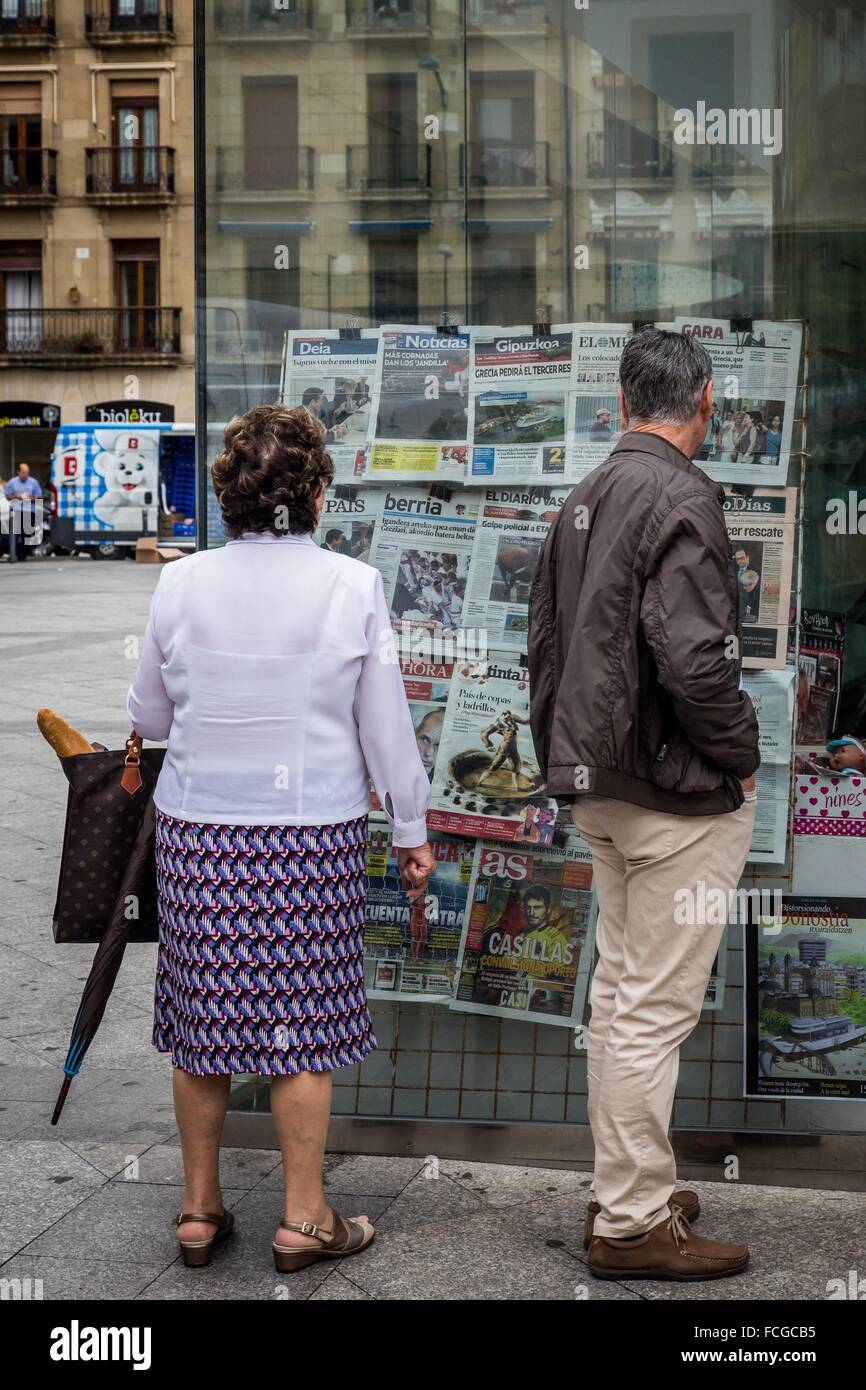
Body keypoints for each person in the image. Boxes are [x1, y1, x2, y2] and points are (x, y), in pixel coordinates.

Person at [127, 404, 435, 1274]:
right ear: (315, 495)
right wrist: (410, 830)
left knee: (200, 1022)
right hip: (311, 837)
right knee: (302, 1023)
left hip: (201, 834)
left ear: (227, 495)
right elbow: (387, 731)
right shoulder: (351, 585)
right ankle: (304, 1219)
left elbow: (148, 716)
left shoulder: (180, 584)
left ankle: (197, 1208)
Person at [528, 327, 760, 1282]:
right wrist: (743, 756)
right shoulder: (682, 494)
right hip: (673, 796)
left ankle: (628, 1188)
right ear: (702, 404)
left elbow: (544, 644)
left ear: (624, 404)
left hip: (604, 789)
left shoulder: (585, 495)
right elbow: (695, 661)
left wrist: (563, 758)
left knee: (620, 1000)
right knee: (650, 1011)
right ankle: (629, 1220)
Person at [4, 462, 42, 562]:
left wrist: (30, 498)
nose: (25, 475)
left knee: (27, 533)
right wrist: (16, 496)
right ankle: (16, 554)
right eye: (23, 473)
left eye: (27, 473)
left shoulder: (33, 482)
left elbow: (39, 496)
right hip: (16, 510)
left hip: (29, 511)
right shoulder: (12, 482)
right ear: (18, 472)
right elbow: (8, 496)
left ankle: (23, 553)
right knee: (16, 533)